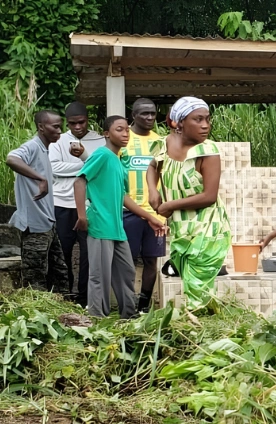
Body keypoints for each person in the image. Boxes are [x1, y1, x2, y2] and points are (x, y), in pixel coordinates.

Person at [74, 116, 166, 319]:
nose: (125, 134)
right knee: (99, 276)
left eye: (127, 130)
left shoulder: (118, 161)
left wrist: (149, 217)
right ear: (106, 133)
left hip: (117, 227)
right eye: (119, 130)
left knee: (126, 272)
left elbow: (124, 197)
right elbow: (79, 182)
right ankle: (98, 319)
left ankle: (128, 316)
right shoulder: (102, 155)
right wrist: (81, 215)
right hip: (99, 224)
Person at [146, 97, 231, 310]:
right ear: (179, 122)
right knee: (193, 290)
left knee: (197, 294)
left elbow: (209, 196)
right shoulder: (165, 144)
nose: (205, 125)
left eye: (207, 119)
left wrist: (169, 206)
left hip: (208, 231)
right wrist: (153, 189)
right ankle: (204, 328)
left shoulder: (208, 151)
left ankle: (200, 335)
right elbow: (152, 166)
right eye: (198, 119)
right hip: (182, 231)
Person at [5, 110, 70, 293]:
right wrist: (41, 179)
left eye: (61, 126)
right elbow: (11, 159)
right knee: (35, 280)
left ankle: (64, 312)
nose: (60, 130)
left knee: (60, 274)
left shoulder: (44, 149)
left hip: (48, 224)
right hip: (35, 227)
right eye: (55, 126)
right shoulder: (33, 146)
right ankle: (36, 317)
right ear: (41, 127)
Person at [49, 101, 105, 306]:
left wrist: (84, 162)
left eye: (81, 122)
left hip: (89, 205)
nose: (77, 127)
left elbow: (101, 169)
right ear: (67, 123)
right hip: (61, 202)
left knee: (88, 254)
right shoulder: (58, 140)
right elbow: (54, 167)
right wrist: (85, 165)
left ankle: (84, 297)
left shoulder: (99, 140)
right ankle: (64, 295)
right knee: (62, 251)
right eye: (72, 124)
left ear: (87, 120)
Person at [119, 98, 165, 312]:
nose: (149, 118)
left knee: (151, 261)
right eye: (144, 114)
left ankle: (143, 306)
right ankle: (126, 305)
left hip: (156, 215)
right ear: (133, 115)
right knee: (127, 261)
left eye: (153, 114)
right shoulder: (123, 139)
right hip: (128, 211)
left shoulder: (161, 142)